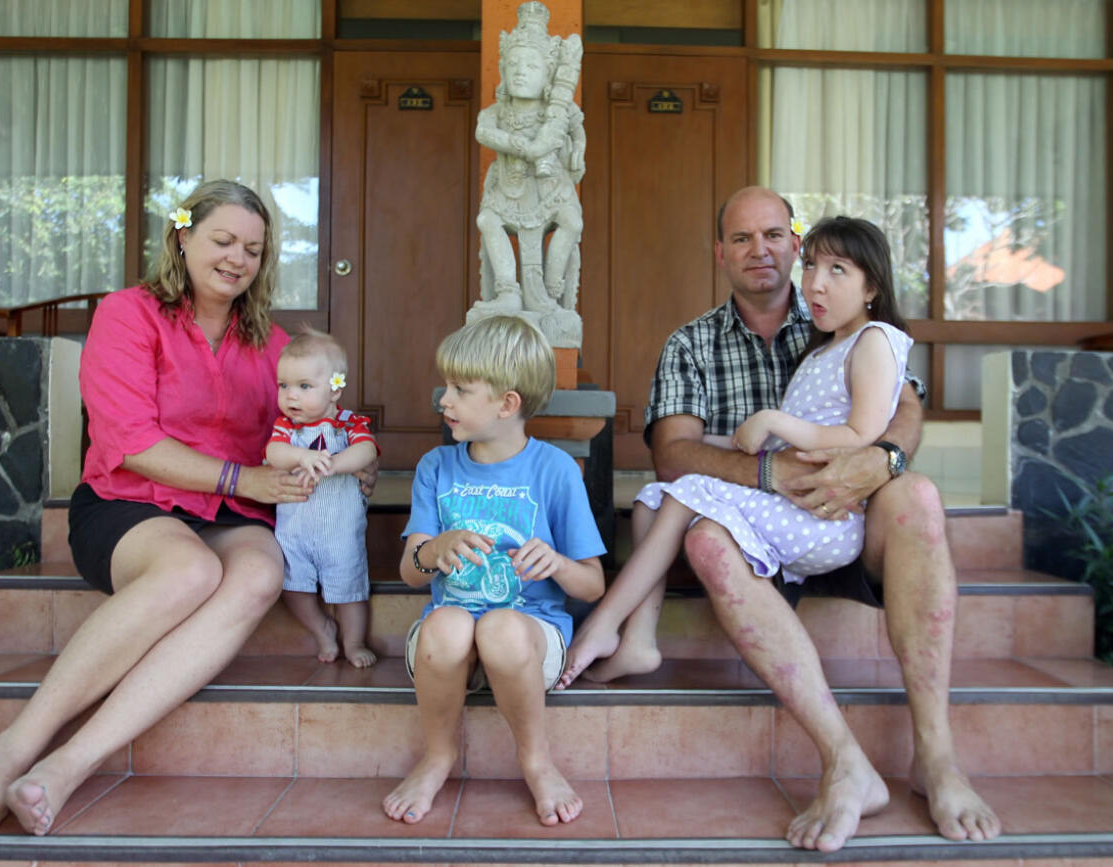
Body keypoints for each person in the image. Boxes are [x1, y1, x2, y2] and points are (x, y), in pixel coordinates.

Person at [565, 187, 1001, 852]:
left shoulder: (839, 319)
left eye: (774, 235)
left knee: (917, 495)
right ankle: (842, 757)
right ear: (721, 253)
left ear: (794, 244)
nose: (760, 250)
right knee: (700, 527)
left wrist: (878, 459)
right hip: (759, 525)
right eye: (741, 238)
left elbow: (903, 408)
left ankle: (936, 756)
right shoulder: (693, 342)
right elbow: (673, 453)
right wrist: (773, 474)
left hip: (842, 520)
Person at [0, 179, 337, 836]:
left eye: (254, 249)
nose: (238, 258)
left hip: (230, 510)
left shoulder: (272, 344)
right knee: (189, 572)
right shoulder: (128, 313)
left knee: (261, 573)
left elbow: (313, 408)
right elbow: (134, 443)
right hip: (128, 501)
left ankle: (67, 765)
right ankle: (9, 748)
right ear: (183, 237)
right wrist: (247, 476)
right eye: (223, 240)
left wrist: (338, 447)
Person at [560, 215, 913, 687]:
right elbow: (768, 444)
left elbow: (862, 433)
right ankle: (639, 642)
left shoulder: (874, 341)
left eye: (837, 271)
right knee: (652, 502)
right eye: (811, 267)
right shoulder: (826, 346)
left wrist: (773, 420)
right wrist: (713, 441)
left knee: (685, 494)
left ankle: (602, 626)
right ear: (721, 252)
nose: (816, 284)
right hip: (793, 502)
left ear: (872, 286)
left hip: (826, 518)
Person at [381, 315, 605, 828]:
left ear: (507, 404)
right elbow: (411, 572)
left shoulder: (555, 471)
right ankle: (438, 757)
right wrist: (433, 549)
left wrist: (560, 563)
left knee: (500, 627)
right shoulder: (435, 468)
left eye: (461, 389)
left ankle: (537, 761)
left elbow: (592, 584)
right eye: (447, 385)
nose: (445, 399)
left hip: (527, 639)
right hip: (449, 642)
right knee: (449, 623)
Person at [266, 329, 379, 668]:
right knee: (292, 586)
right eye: (283, 386)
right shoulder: (287, 427)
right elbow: (273, 452)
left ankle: (354, 641)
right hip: (294, 529)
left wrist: (333, 465)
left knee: (349, 590)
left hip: (339, 530)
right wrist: (300, 458)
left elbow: (366, 449)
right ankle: (321, 629)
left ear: (335, 389)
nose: (291, 396)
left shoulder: (349, 423)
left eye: (304, 386)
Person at [474, 0, 584, 318]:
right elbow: (484, 132)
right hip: (509, 186)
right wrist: (522, 146)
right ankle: (508, 289)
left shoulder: (560, 109)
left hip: (551, 187)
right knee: (487, 220)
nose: (521, 72)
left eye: (531, 66)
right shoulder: (496, 113)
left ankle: (550, 289)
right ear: (503, 72)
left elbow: (577, 129)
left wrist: (578, 150)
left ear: (548, 75)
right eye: (514, 65)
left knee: (572, 222)